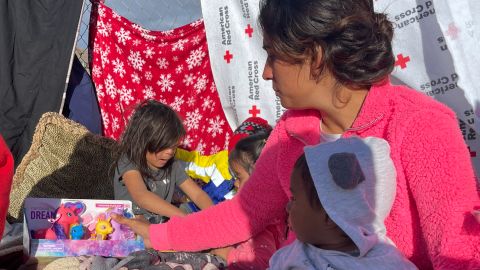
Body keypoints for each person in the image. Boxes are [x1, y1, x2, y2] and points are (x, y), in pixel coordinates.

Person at [112, 0, 480, 268]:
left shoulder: (419, 125)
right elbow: (244, 214)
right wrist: (156, 235)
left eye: (273, 56)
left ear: (315, 56)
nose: (266, 73)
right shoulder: (292, 133)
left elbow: (459, 251)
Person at [269, 137, 417, 269]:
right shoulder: (292, 255)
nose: (287, 207)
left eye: (294, 198)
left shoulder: (388, 264)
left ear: (330, 216)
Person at [113, 100, 213, 224]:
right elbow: (142, 196)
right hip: (131, 229)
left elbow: (197, 195)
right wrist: (185, 218)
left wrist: (213, 215)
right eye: (164, 146)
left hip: (160, 229)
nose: (170, 152)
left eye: (174, 146)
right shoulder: (129, 161)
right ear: (143, 140)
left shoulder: (173, 164)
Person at [211, 130, 286, 269]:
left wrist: (227, 253)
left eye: (239, 177)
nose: (235, 184)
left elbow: (261, 263)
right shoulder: (276, 211)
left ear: (259, 177)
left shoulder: (260, 223)